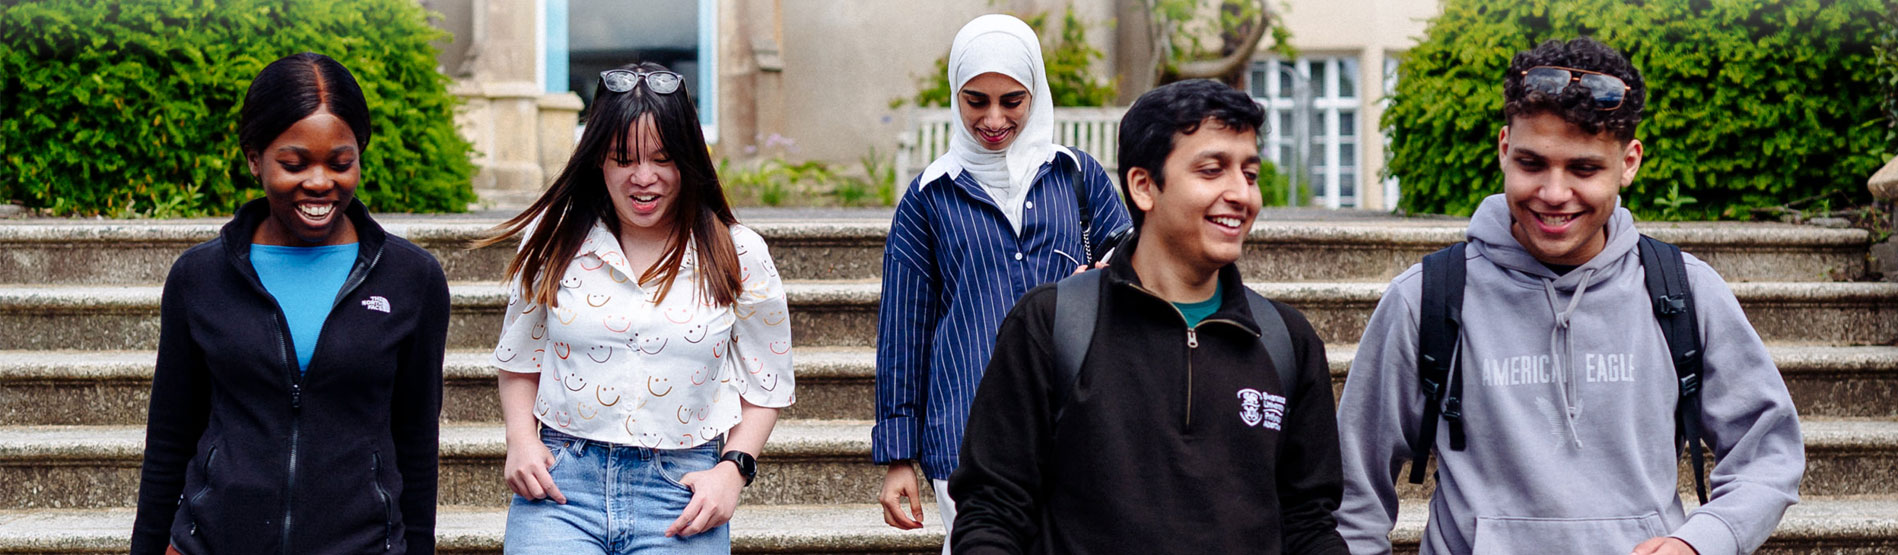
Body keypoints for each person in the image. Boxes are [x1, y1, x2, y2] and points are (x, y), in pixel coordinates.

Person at [1332, 38, 1803, 555]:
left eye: (1584, 169)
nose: (1554, 194)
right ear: (1504, 148)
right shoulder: (1425, 298)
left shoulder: (1685, 290)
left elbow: (1768, 450)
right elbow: (1354, 492)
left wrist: (1701, 542)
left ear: (1629, 163)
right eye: (1533, 163)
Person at [947, 79, 1351, 554]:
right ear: (1143, 186)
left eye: (1250, 173)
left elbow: (1307, 523)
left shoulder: (1286, 341)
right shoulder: (1053, 324)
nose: (1241, 194)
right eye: (1212, 170)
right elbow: (992, 511)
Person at [130, 52, 449, 554]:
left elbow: (415, 440)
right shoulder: (199, 277)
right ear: (255, 158)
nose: (320, 182)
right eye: (294, 164)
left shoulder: (412, 278)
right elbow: (170, 437)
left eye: (340, 163)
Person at [479, 61, 793, 554]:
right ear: (598, 160)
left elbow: (766, 381)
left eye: (663, 158)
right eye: (623, 158)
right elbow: (520, 358)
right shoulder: (554, 240)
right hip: (562, 487)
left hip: (680, 495)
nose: (643, 178)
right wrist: (521, 438)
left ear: (689, 159)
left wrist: (733, 469)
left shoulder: (740, 252)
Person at [873, 14, 1132, 545]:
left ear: (1034, 93)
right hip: (963, 430)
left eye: (1011, 101)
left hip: (1076, 421)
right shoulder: (928, 198)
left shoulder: (1077, 177)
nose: (993, 118)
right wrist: (899, 457)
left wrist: (1109, 276)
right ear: (956, 96)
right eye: (976, 101)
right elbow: (903, 333)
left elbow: (1142, 264)